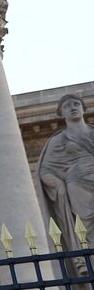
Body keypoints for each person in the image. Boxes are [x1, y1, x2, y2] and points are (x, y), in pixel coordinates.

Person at [38, 93, 94, 272]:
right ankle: (90, 262)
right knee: (86, 226)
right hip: (77, 186)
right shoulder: (58, 140)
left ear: (83, 108)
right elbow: (45, 171)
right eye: (67, 106)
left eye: (76, 104)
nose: (73, 107)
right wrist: (58, 184)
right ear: (61, 114)